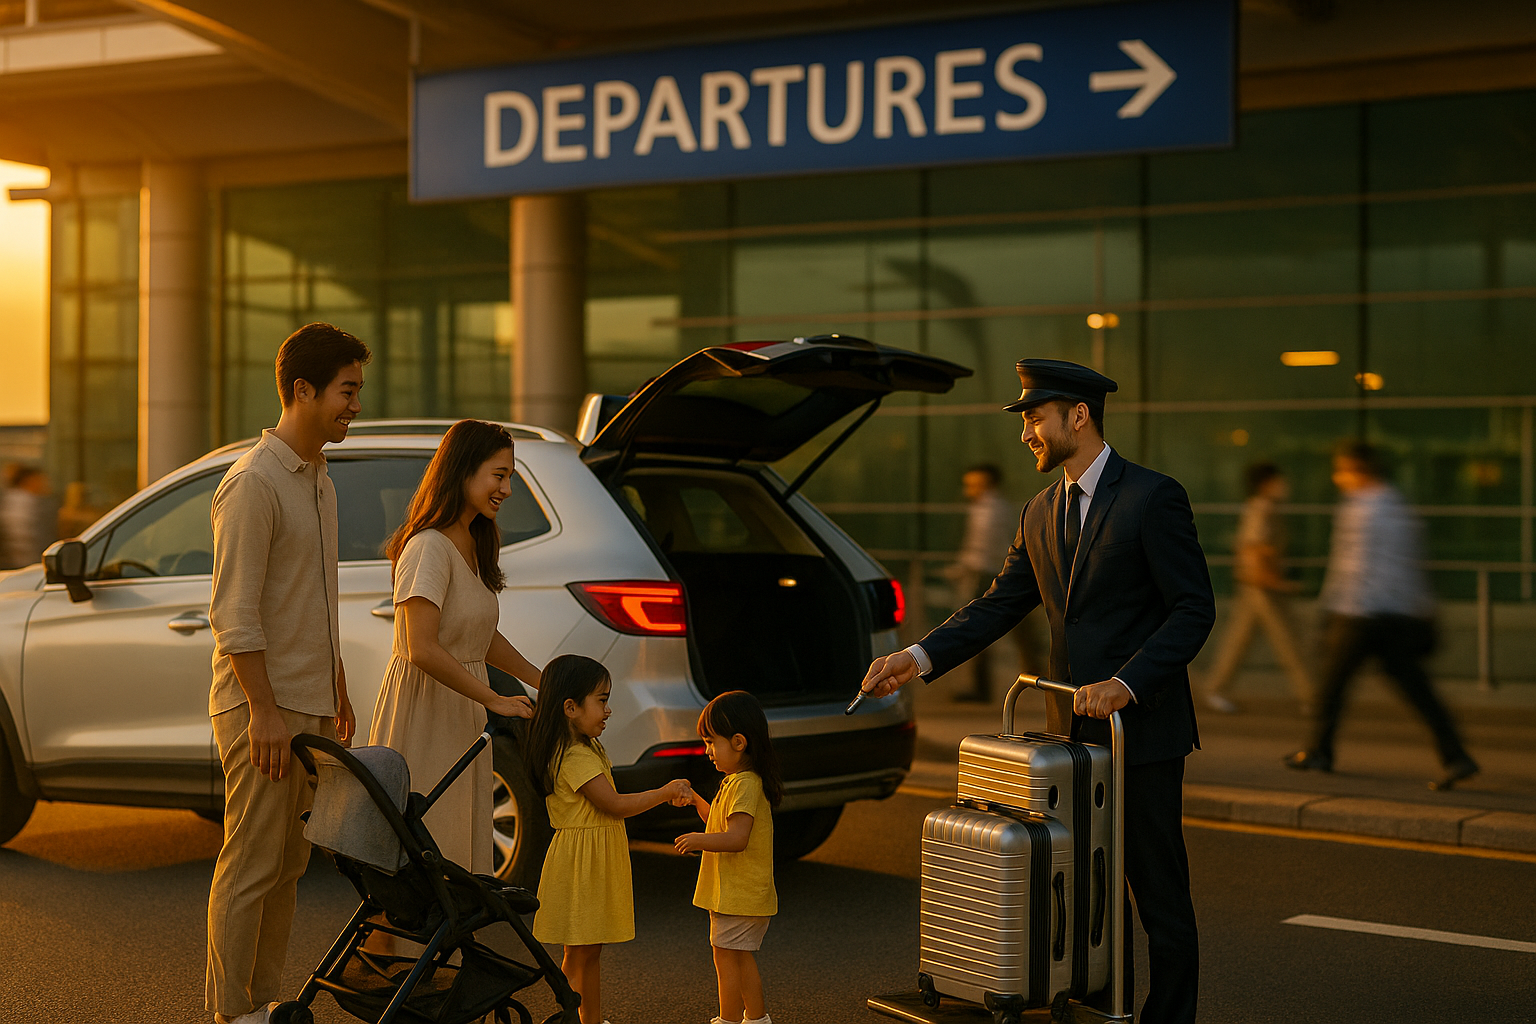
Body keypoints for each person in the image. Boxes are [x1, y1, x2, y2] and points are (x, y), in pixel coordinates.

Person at [859, 358, 1215, 1024]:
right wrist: (917, 655)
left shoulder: (1152, 497)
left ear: (1078, 416)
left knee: (1156, 894)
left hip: (1139, 735)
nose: (1025, 432)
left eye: (1033, 417)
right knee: (1085, 892)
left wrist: (1126, 682)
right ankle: (1099, 1009)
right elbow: (999, 604)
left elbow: (1193, 609)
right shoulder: (1041, 510)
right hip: (1070, 741)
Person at [206, 322, 369, 1024]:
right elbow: (235, 616)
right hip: (260, 708)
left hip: (310, 701)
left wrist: (336, 683)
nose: (355, 405)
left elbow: (312, 598)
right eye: (347, 391)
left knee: (287, 869)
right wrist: (265, 710)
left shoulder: (322, 482)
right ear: (302, 389)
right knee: (248, 866)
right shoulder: (253, 485)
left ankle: (267, 1005)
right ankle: (228, 1011)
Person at [369, 419, 544, 873]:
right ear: (463, 470)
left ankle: (443, 944)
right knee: (424, 849)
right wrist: (493, 699)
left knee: (458, 847)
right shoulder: (428, 546)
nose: (506, 489)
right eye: (498, 475)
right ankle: (410, 946)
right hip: (426, 710)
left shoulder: (475, 540)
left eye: (510, 477)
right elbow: (418, 648)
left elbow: (479, 638)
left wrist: (543, 680)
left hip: (462, 709)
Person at [1284, 441, 1479, 791]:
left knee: (1331, 688)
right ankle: (1457, 756)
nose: (1337, 477)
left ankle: (1320, 751)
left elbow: (1347, 566)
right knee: (1418, 690)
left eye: (1341, 470)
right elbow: (1413, 566)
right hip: (1397, 615)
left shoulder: (1357, 509)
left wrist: (1328, 609)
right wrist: (1424, 607)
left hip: (1359, 613)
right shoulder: (1399, 508)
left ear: (1357, 470)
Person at [525, 654, 693, 1024]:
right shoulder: (573, 756)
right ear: (570, 707)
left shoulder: (584, 747)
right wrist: (664, 792)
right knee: (580, 952)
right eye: (601, 700)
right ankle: (570, 1019)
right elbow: (614, 805)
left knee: (589, 950)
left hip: (590, 858)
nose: (608, 709)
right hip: (582, 863)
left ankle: (591, 1019)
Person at [675, 691, 783, 1024]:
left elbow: (736, 838)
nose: (707, 751)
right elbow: (720, 823)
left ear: (738, 742)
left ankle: (730, 1019)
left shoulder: (745, 786)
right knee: (739, 958)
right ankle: (756, 1018)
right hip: (737, 894)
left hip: (739, 894)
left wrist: (699, 840)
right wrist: (696, 801)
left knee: (727, 960)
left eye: (711, 742)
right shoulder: (736, 782)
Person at [1204, 462, 1314, 714]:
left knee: (1239, 642)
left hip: (1257, 586)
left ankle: (1215, 689)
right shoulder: (1262, 510)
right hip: (1262, 588)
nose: (1285, 486)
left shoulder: (1265, 508)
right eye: (1279, 480)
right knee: (1289, 642)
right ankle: (1312, 698)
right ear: (1267, 483)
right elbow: (1254, 549)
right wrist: (1277, 582)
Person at [948, 463, 1039, 702]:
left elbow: (982, 549)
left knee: (980, 628)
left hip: (988, 574)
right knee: (1020, 632)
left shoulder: (990, 511)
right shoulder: (992, 508)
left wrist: (962, 566)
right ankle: (1037, 679)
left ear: (987, 484)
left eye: (974, 484)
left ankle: (985, 688)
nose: (969, 489)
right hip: (995, 571)